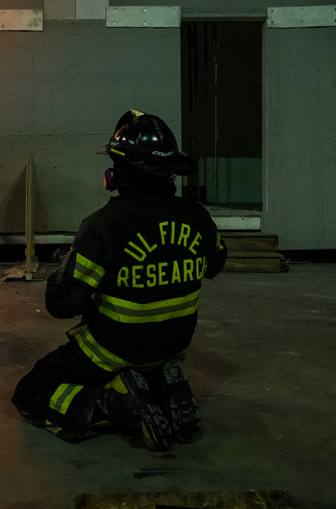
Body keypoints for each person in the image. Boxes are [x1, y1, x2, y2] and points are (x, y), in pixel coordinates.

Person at [12, 110, 228, 451]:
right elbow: (216, 262)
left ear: (122, 170)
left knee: (30, 392)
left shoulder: (104, 225)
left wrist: (66, 266)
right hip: (174, 345)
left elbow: (61, 304)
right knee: (150, 358)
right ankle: (159, 386)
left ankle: (116, 403)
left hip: (114, 351)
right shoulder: (198, 217)